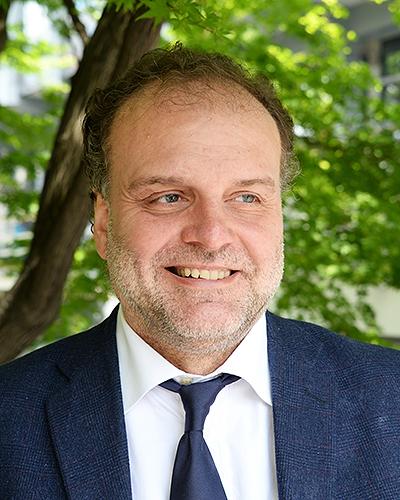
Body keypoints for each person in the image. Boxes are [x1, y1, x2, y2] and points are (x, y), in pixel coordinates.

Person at [1, 43, 400, 500]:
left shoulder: (391, 398)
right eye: (168, 197)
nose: (211, 237)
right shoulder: (10, 419)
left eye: (246, 197)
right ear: (105, 222)